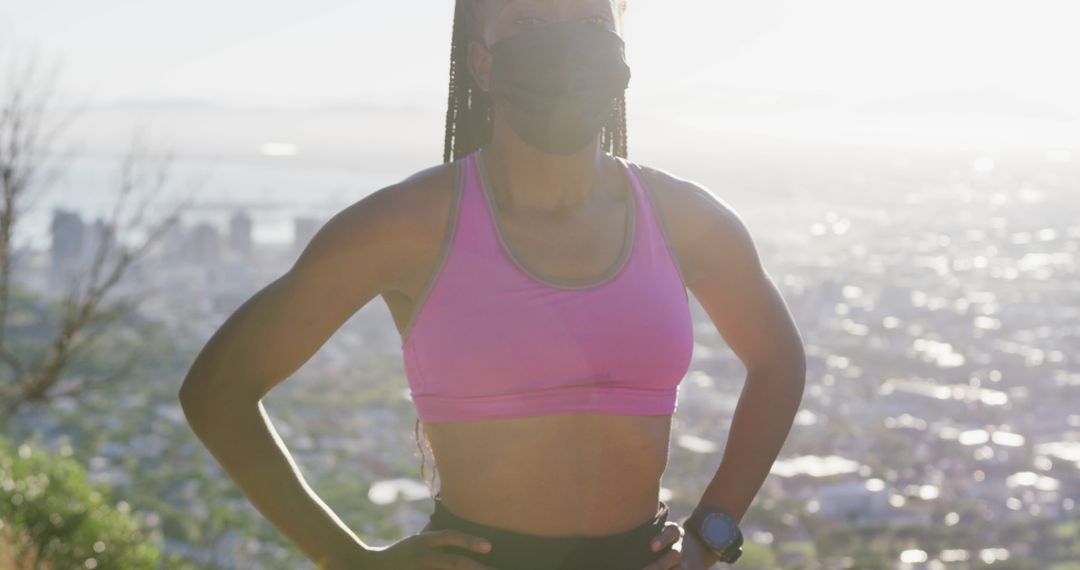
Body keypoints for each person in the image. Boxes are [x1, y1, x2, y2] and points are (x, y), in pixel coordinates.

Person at [178, 1, 806, 568]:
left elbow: (778, 360)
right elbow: (218, 391)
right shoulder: (405, 224)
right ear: (481, 63)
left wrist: (712, 534)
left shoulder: (688, 220)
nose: (563, 43)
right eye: (529, 22)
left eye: (589, 22)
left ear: (621, 55)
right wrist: (348, 560)